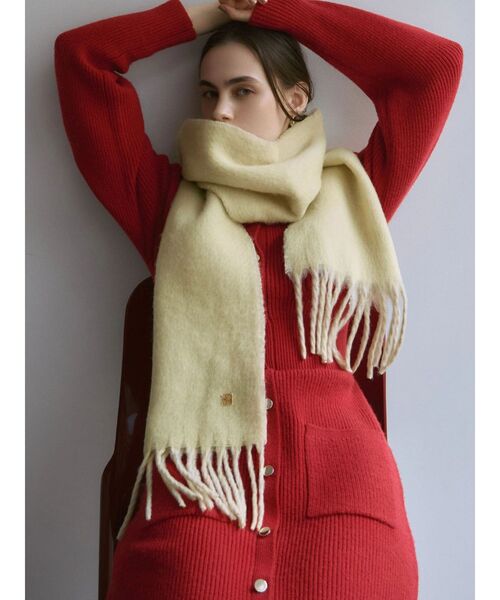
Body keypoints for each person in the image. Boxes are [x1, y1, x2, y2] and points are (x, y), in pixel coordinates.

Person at [54, 0, 463, 598]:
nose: (220, 111)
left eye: (242, 91)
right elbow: (82, 60)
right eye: (208, 93)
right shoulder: (169, 205)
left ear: (295, 99)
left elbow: (433, 69)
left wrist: (275, 9)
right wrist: (204, 11)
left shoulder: (354, 195)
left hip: (345, 500)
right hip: (200, 488)